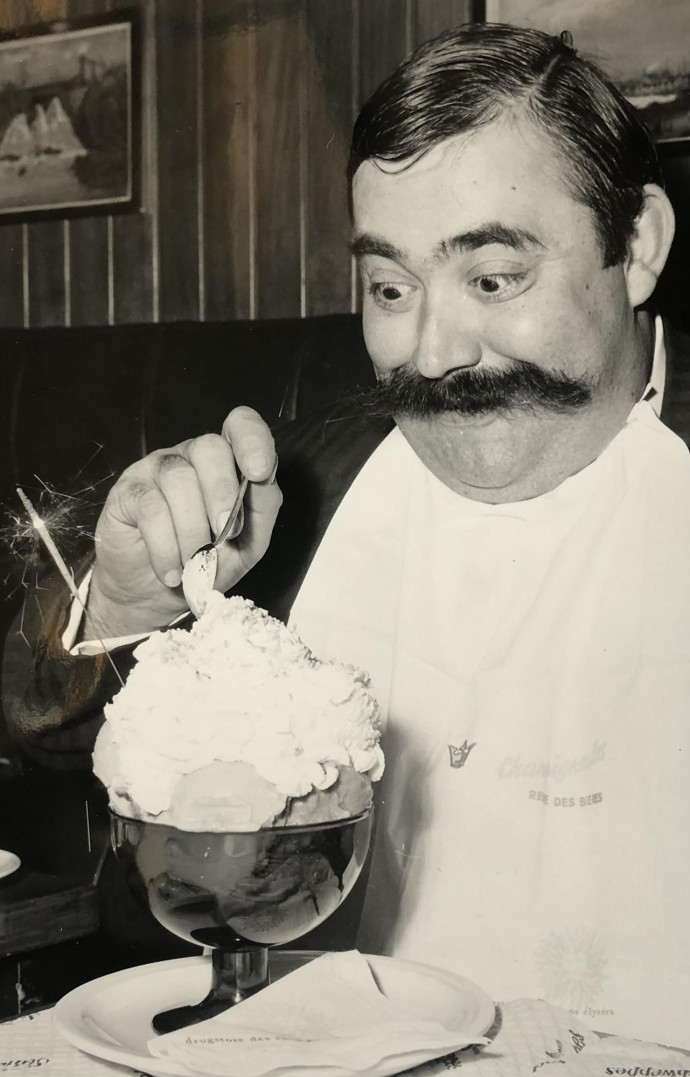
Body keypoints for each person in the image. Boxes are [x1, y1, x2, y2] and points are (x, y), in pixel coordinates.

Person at [4, 22, 690, 1045]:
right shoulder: (296, 489)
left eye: (493, 279)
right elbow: (38, 739)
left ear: (635, 246)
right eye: (389, 288)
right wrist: (126, 601)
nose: (434, 349)